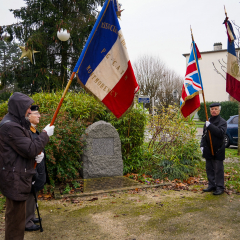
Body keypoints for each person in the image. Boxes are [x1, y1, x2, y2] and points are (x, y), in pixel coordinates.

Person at [0, 92, 55, 240]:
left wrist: (34, 157)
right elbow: (30, 148)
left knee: (17, 219)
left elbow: (26, 148)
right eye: (28, 108)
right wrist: (45, 134)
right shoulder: (10, 126)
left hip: (17, 176)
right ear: (19, 107)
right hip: (14, 180)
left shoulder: (15, 122)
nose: (30, 111)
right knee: (15, 223)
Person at [25, 105, 49, 231]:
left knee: (34, 193)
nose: (39, 116)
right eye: (36, 114)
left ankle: (31, 215)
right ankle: (27, 222)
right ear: (28, 117)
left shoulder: (34, 130)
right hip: (32, 169)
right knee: (30, 194)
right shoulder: (27, 132)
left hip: (38, 169)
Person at [200, 102, 227, 195]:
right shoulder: (208, 121)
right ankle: (211, 185)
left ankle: (220, 187)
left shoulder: (223, 122)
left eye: (215, 109)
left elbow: (220, 133)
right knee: (209, 168)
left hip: (218, 149)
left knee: (218, 169)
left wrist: (210, 126)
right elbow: (204, 135)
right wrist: (202, 145)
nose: (213, 111)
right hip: (208, 149)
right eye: (212, 109)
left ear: (219, 110)